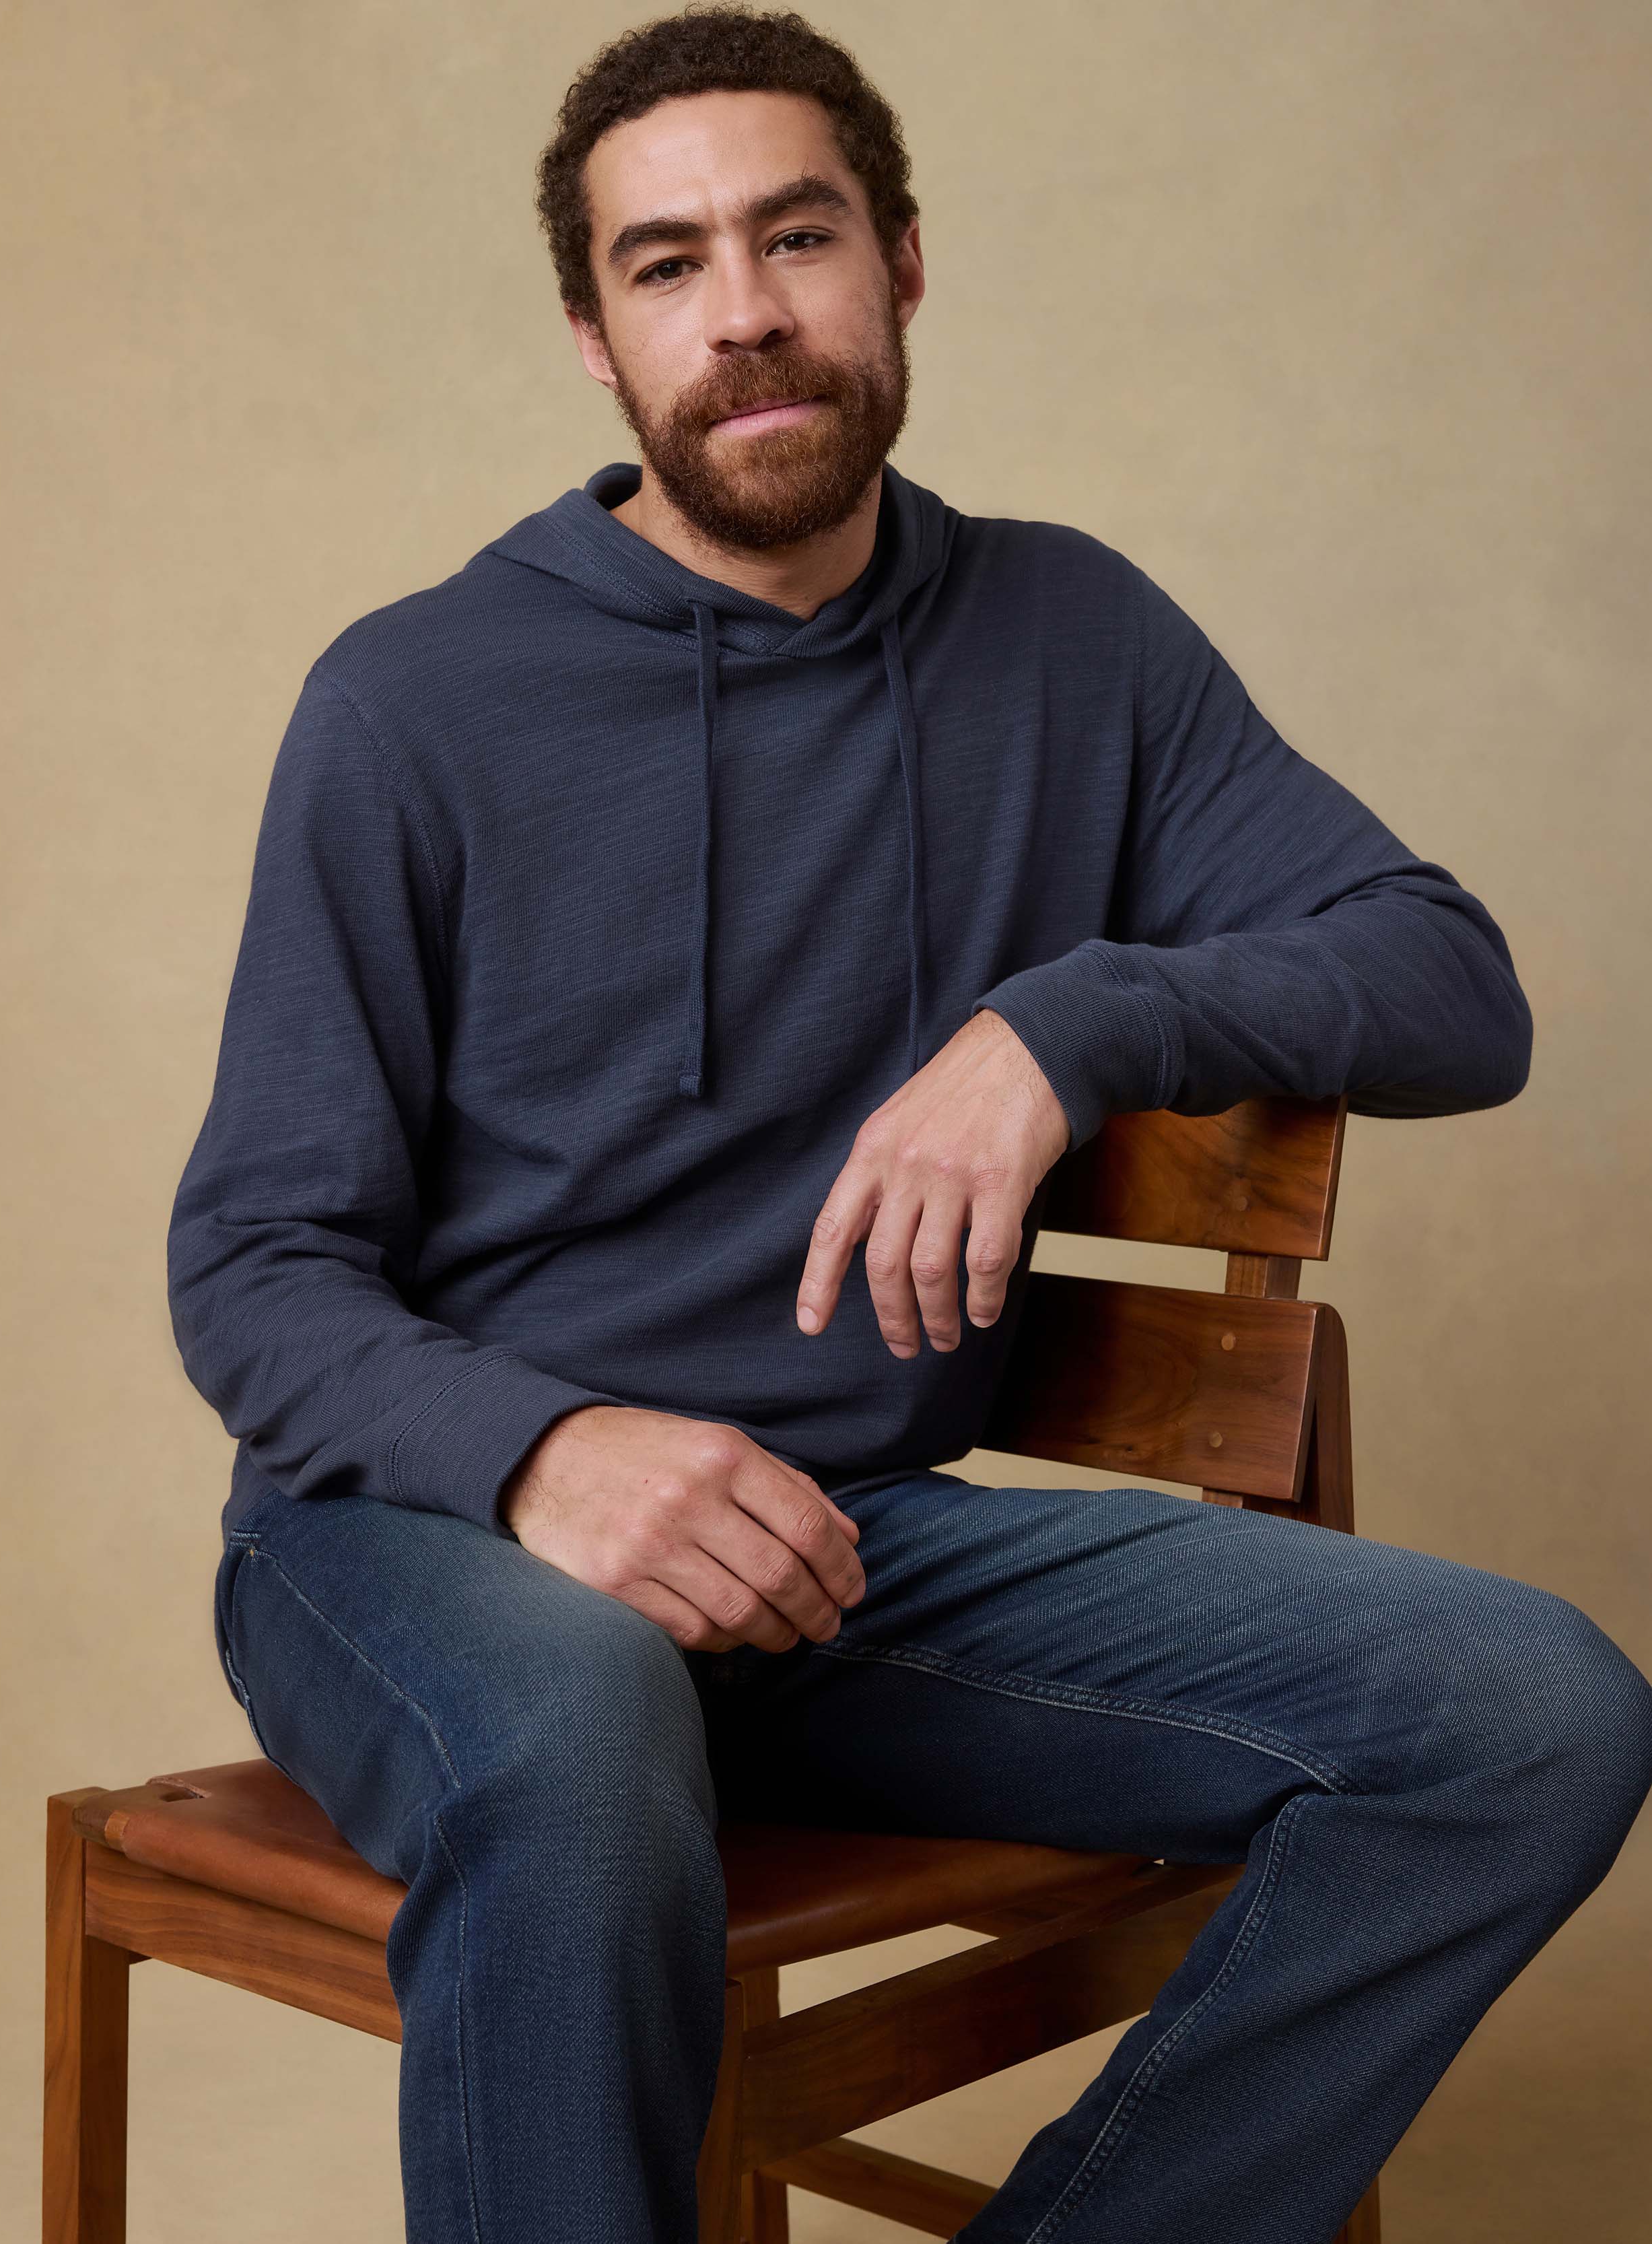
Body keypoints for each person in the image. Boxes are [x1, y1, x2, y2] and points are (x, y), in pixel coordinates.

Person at [167, 11, 1652, 2241]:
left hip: (847, 1554)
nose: (742, 310)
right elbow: (254, 1271)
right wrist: (555, 1455)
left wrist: (1066, 1023)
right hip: (430, 1539)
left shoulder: (1075, 639)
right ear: (594, 340)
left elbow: (1452, 981)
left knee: (1525, 1713)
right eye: (664, 265)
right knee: (576, 1747)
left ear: (904, 264)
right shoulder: (410, 700)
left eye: (795, 235)